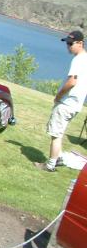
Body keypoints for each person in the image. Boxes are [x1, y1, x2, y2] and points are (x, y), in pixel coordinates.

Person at [35, 30, 87, 172]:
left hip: (67, 103)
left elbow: (71, 82)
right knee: (60, 131)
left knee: (55, 135)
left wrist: (58, 96)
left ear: (80, 43)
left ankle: (50, 165)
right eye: (67, 43)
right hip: (76, 104)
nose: (68, 47)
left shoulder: (78, 60)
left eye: (71, 44)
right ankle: (59, 158)